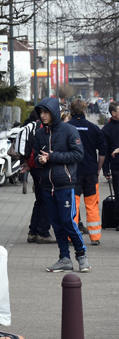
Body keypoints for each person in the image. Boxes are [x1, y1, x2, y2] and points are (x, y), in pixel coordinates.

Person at [33, 97, 88, 272]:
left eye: (45, 112)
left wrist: (52, 156)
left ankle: (81, 255)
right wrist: (40, 160)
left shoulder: (69, 130)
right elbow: (36, 157)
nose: (42, 116)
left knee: (67, 221)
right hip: (47, 186)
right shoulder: (39, 133)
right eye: (40, 112)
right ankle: (64, 258)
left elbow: (78, 155)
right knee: (56, 224)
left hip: (65, 184)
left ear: (54, 113)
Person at [68, 99, 106, 246]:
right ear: (85, 111)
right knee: (92, 204)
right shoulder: (94, 128)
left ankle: (72, 237)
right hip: (91, 172)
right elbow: (103, 151)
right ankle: (95, 237)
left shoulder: (67, 128)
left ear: (71, 110)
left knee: (73, 205)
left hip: (73, 173)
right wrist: (98, 168)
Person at [21, 110, 56, 244]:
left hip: (35, 168)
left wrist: (29, 165)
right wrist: (32, 164)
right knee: (46, 200)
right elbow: (36, 151)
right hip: (40, 168)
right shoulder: (42, 129)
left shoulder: (34, 126)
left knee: (40, 200)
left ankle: (33, 232)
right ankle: (42, 232)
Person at [102, 101, 119, 230]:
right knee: (118, 194)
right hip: (116, 166)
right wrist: (106, 170)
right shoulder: (107, 130)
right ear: (113, 113)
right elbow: (105, 152)